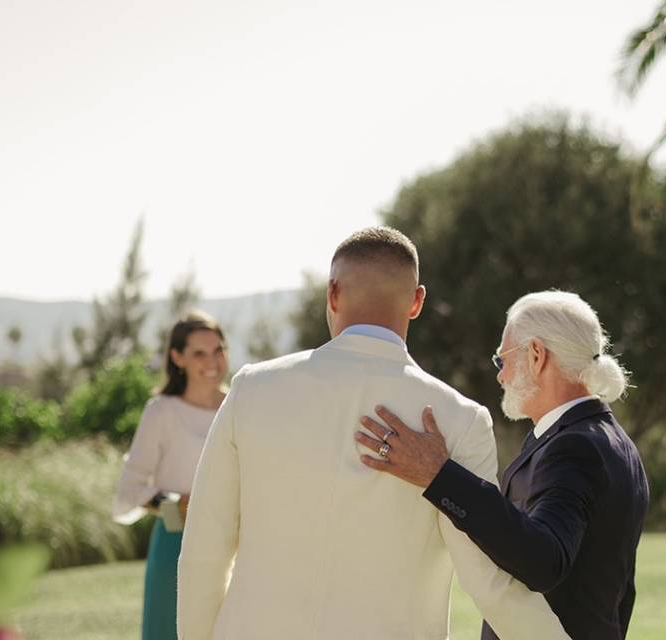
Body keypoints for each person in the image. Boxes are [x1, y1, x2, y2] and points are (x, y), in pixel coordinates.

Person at [177, 227, 567, 640]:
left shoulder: (251, 390)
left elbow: (205, 551)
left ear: (332, 294)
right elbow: (490, 582)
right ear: (417, 302)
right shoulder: (460, 418)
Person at [358, 290, 649, 639]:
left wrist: (439, 475)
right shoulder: (615, 442)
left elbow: (543, 560)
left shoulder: (574, 447)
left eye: (503, 360)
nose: (500, 376)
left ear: (537, 355)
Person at [113, 311, 229, 640]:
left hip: (235, 545)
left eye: (218, 350)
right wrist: (177, 503)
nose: (212, 361)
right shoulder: (161, 412)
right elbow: (129, 490)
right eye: (199, 353)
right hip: (175, 545)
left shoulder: (239, 405)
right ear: (177, 357)